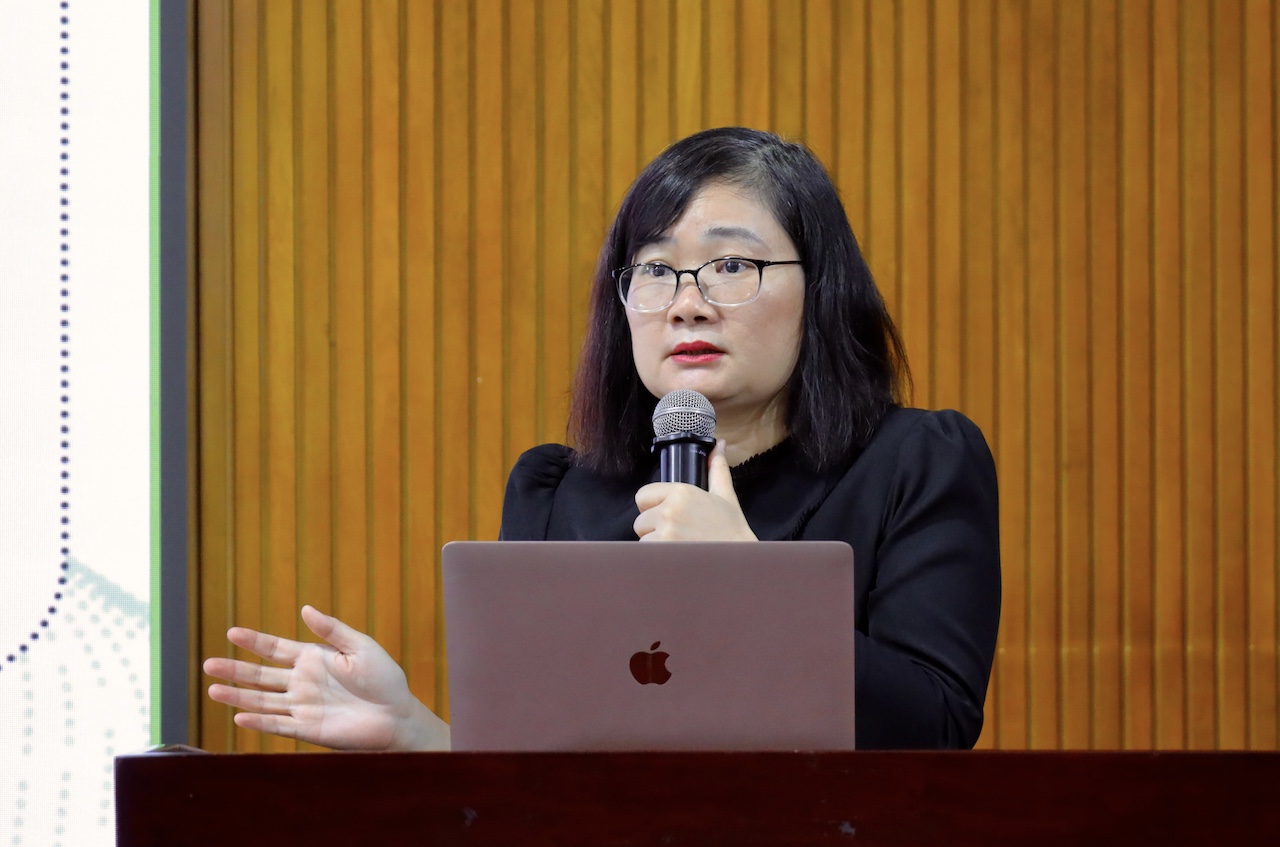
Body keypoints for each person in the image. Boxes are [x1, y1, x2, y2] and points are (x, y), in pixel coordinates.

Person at [204, 126, 1001, 751]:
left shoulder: (915, 463)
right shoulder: (557, 495)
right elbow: (542, 777)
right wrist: (420, 732)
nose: (686, 302)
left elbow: (933, 727)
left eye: (730, 265)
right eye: (654, 269)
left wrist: (748, 584)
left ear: (820, 288)